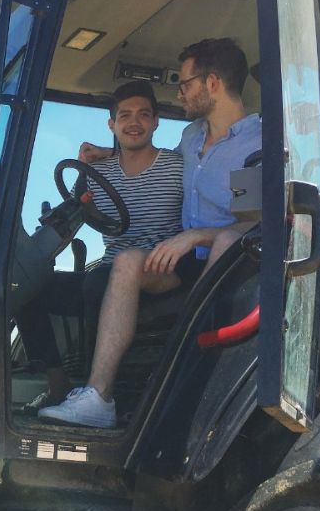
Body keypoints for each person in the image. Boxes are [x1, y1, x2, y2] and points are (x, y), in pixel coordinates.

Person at [38, 38, 260, 428]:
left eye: (186, 83)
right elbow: (153, 156)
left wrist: (193, 236)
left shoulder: (252, 147)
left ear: (211, 84)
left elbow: (250, 224)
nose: (180, 92)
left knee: (221, 241)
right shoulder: (193, 137)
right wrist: (107, 156)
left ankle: (189, 373)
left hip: (226, 263)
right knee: (124, 262)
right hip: (183, 261)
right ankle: (97, 397)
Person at [16, 80, 183, 412]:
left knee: (97, 282)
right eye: (125, 116)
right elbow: (80, 210)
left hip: (160, 272)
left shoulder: (178, 167)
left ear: (155, 122)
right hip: (111, 266)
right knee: (25, 285)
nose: (134, 123)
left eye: (143, 115)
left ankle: (100, 394)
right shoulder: (95, 173)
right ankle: (57, 386)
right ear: (112, 124)